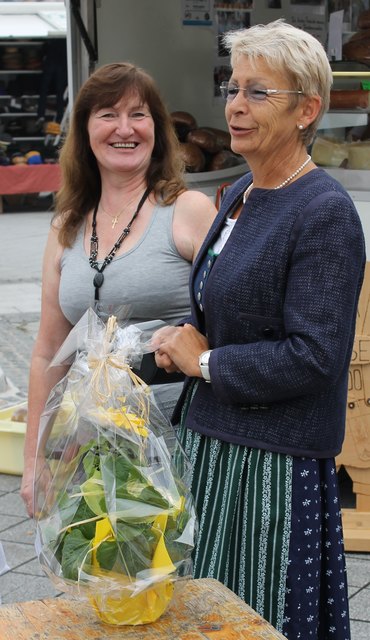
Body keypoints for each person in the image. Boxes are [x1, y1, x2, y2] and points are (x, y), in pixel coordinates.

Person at [153, 19, 365, 640]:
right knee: (205, 620)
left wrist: (208, 363)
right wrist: (169, 348)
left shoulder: (325, 212)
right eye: (233, 87)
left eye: (257, 92)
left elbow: (315, 357)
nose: (236, 106)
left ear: (307, 110)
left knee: (257, 622)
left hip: (272, 470)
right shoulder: (240, 193)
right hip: (212, 450)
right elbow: (217, 313)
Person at [21, 62, 216, 517]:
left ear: (158, 129)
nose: (124, 129)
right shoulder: (66, 227)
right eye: (108, 114)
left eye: (139, 114)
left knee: (177, 580)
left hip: (181, 441)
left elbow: (232, 324)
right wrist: (34, 459)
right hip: (94, 445)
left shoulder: (187, 211)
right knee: (99, 577)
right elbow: (49, 350)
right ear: (85, 131)